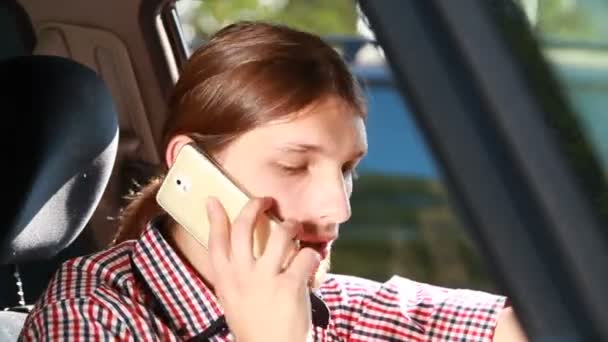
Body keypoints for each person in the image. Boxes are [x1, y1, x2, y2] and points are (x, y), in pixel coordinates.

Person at [19, 21, 527, 341]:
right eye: (293, 166)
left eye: (347, 169)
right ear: (191, 168)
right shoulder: (89, 319)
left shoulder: (341, 308)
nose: (337, 209)